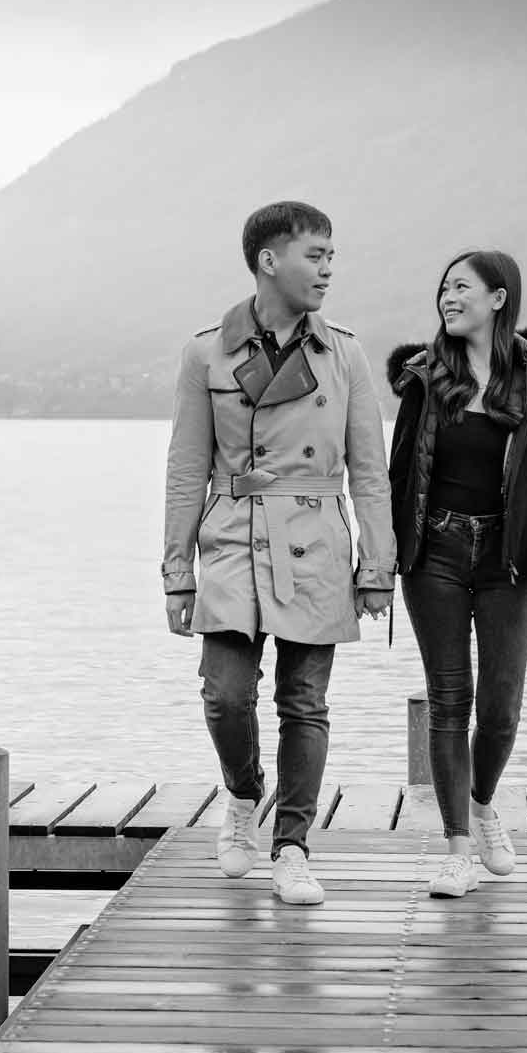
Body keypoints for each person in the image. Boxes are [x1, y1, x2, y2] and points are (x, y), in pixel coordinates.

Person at [162, 200, 396, 906]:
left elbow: (369, 470)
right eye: (315, 255)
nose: (328, 269)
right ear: (270, 260)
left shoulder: (345, 352)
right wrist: (177, 573)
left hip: (316, 537)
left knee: (305, 701)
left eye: (332, 256)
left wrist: (377, 566)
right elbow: (185, 468)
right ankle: (243, 795)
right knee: (225, 694)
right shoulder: (206, 352)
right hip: (233, 534)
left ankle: (292, 846)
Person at [386, 248, 527, 898]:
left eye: (461, 286)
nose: (447, 296)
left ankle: (485, 802)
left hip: (509, 561)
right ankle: (458, 848)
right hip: (433, 554)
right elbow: (400, 472)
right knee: (449, 702)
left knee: (500, 710)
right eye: (443, 287)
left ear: (499, 297)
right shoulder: (423, 376)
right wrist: (384, 558)